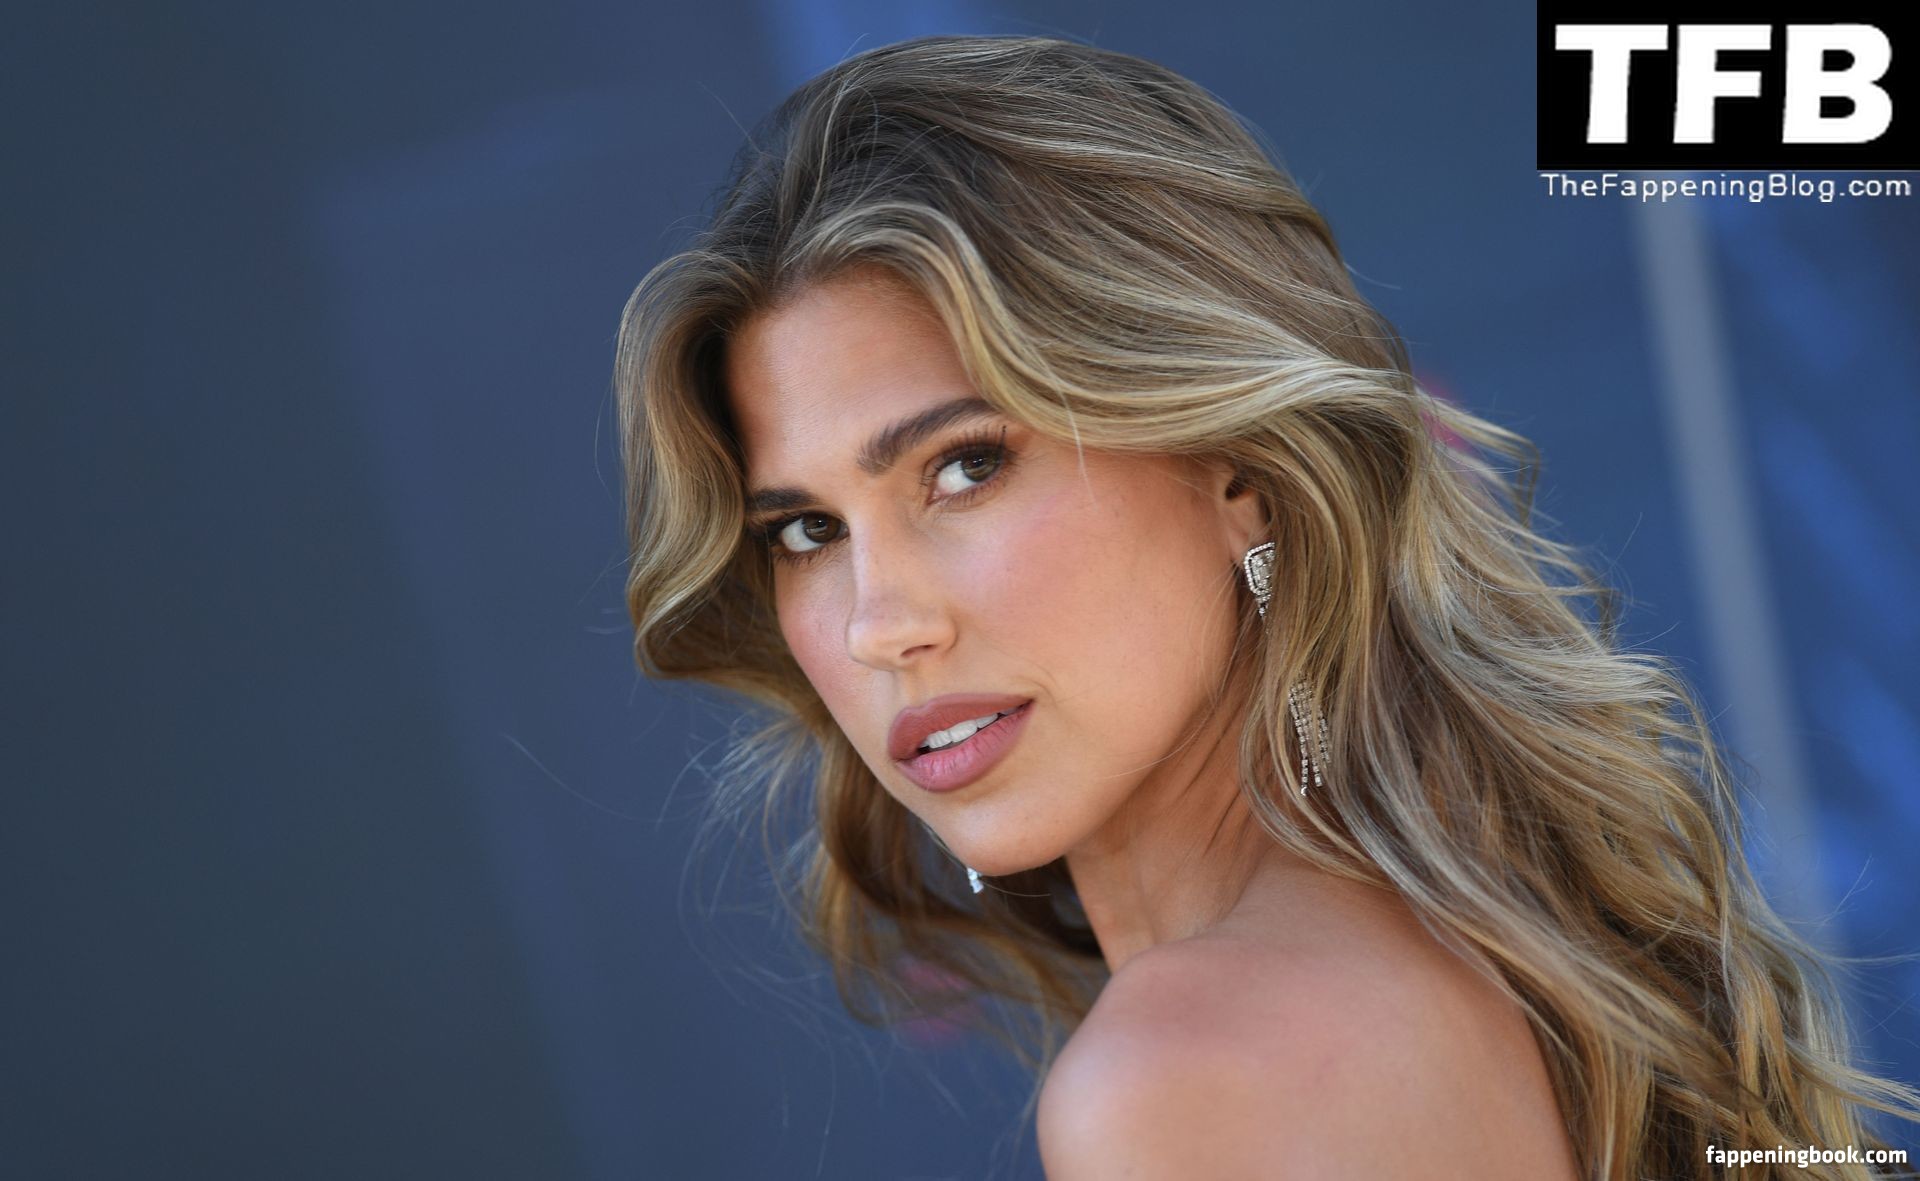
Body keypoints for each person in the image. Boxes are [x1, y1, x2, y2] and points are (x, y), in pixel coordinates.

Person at [611, 33, 1920, 1179]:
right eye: (806, 531)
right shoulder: (1486, 967)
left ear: (1236, 470)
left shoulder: (1186, 1078)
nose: (876, 624)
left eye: (964, 468)